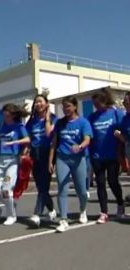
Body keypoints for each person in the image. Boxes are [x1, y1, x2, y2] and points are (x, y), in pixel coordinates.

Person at [49, 96, 92, 232]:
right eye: (63, 106)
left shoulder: (83, 122)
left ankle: (83, 210)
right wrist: (51, 161)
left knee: (82, 191)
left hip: (79, 159)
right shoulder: (60, 123)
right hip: (62, 158)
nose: (65, 109)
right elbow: (54, 143)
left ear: (75, 107)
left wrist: (80, 146)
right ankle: (63, 219)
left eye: (68, 106)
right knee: (62, 188)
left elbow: (87, 139)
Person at [88, 88, 125, 224]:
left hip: (113, 156)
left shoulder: (116, 113)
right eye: (94, 104)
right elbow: (89, 136)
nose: (96, 106)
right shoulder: (92, 117)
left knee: (113, 181)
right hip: (97, 156)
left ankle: (120, 206)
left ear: (105, 101)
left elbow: (125, 130)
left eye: (98, 103)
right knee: (100, 183)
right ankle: (104, 212)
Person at [0, 103, 30, 226]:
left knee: (7, 188)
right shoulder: (1, 126)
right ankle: (11, 203)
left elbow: (28, 140)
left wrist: (14, 142)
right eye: (4, 114)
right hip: (0, 161)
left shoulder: (19, 126)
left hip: (12, 161)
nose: (5, 117)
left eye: (7, 115)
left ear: (13, 114)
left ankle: (11, 216)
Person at [26, 94, 57, 227]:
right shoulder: (31, 121)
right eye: (36, 102)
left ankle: (36, 214)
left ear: (47, 104)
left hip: (48, 154)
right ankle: (51, 209)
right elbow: (27, 138)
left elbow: (49, 134)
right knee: (41, 187)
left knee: (44, 185)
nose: (38, 104)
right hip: (35, 155)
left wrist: (48, 118)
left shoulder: (54, 119)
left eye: (41, 102)